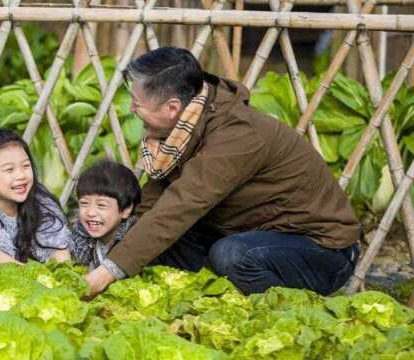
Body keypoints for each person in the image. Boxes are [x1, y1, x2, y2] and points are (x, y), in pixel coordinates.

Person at [85, 47, 361, 296]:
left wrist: (108, 272)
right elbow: (156, 202)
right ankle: (215, 296)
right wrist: (114, 244)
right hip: (253, 232)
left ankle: (279, 313)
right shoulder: (183, 130)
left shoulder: (236, 135)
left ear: (172, 108)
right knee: (162, 239)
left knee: (231, 255)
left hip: (320, 250)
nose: (132, 109)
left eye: (137, 104)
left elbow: (182, 204)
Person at [0, 129, 71, 266]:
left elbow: (59, 248)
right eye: (9, 170)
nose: (21, 175)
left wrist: (61, 273)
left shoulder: (41, 201)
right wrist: (37, 280)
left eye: (26, 166)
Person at [69, 160, 141, 273]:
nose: (91, 213)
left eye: (101, 205)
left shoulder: (134, 237)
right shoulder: (80, 231)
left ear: (126, 210)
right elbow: (76, 266)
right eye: (84, 203)